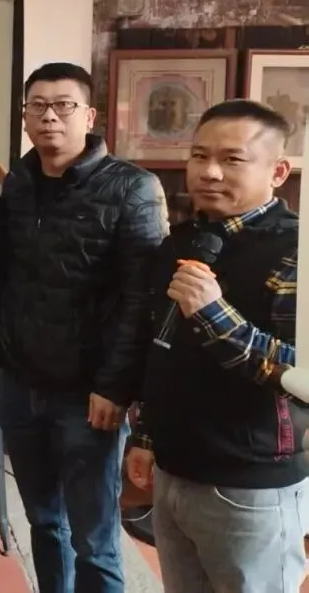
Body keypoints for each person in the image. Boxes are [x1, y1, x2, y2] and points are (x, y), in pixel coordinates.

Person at [0, 62, 168, 593]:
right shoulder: (18, 183)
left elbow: (142, 299)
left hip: (87, 396)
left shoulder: (132, 187)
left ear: (89, 116)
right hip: (20, 385)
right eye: (37, 106)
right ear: (25, 116)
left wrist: (115, 386)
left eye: (63, 105)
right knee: (44, 522)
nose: (49, 116)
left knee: (94, 538)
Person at [125, 100, 308, 593]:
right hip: (174, 468)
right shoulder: (182, 240)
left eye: (232, 159)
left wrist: (212, 311)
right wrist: (146, 437)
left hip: (250, 484)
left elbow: (301, 374)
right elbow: (163, 349)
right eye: (199, 155)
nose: (209, 172)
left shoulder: (297, 251)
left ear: (278, 172)